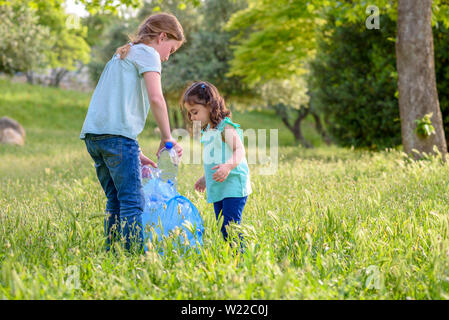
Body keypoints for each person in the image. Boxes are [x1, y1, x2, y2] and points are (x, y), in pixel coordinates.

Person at [80, 13, 184, 253]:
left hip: (95, 137)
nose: (168, 56)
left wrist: (134, 150)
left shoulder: (122, 54)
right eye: (171, 49)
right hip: (117, 139)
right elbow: (156, 98)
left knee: (115, 199)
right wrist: (167, 137)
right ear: (162, 37)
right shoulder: (148, 54)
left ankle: (112, 252)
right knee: (133, 201)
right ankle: (132, 257)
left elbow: (116, 108)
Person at [180, 81, 252, 249]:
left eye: (195, 112)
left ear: (210, 105)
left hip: (233, 183)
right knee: (223, 226)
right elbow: (215, 159)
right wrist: (206, 178)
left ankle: (241, 257)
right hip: (219, 185)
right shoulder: (208, 132)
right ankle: (234, 257)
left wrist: (227, 167)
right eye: (189, 114)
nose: (192, 118)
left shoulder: (225, 127)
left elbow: (240, 150)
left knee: (230, 227)